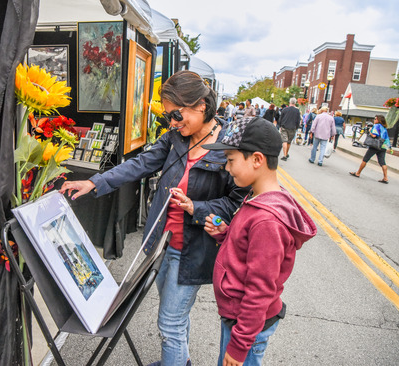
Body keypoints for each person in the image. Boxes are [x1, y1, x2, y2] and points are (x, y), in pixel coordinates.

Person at [60, 70, 248, 366]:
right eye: (168, 118)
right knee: (176, 317)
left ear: (201, 105)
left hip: (191, 249)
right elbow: (140, 164)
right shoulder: (176, 138)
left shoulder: (228, 146)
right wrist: (94, 182)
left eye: (176, 115)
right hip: (160, 242)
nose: (172, 123)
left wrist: (194, 208)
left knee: (170, 324)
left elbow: (235, 203)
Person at [202, 117, 317, 366]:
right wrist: (225, 234)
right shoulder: (259, 197)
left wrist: (240, 345)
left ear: (256, 159)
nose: (227, 168)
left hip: (246, 329)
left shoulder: (267, 220)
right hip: (242, 321)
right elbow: (248, 249)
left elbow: (259, 288)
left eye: (231, 160)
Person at [349, 114, 391, 184]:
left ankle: (358, 173)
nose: (374, 120)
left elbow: (374, 135)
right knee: (382, 162)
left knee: (365, 159)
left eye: (375, 119)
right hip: (383, 146)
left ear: (378, 120)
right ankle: (385, 177)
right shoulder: (384, 127)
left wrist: (370, 131)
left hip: (375, 145)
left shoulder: (376, 126)